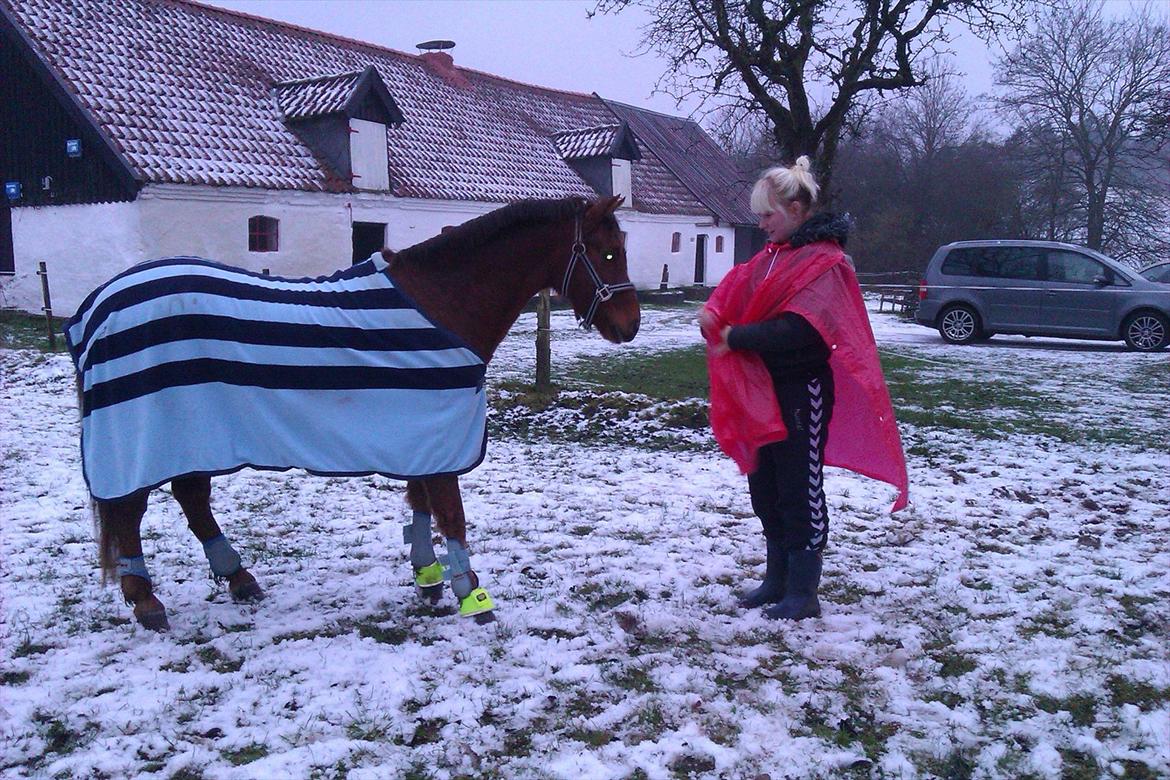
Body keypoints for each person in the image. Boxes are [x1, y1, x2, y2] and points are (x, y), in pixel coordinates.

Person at [700, 156, 908, 620]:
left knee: (799, 488)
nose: (761, 223)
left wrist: (736, 337)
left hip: (800, 391)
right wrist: (713, 320)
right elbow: (732, 301)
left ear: (796, 210)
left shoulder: (825, 265)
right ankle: (777, 579)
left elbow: (803, 331)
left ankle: (802, 589)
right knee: (766, 486)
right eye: (758, 215)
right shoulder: (769, 260)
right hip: (760, 393)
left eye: (768, 214)